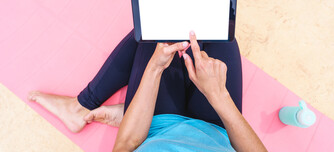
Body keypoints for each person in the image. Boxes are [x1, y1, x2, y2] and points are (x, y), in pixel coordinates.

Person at [28, 30, 267, 151]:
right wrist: (219, 96)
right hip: (218, 128)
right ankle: (123, 112)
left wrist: (154, 68)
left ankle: (81, 107)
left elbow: (127, 145)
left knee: (155, 29)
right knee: (221, 34)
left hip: (156, 126)